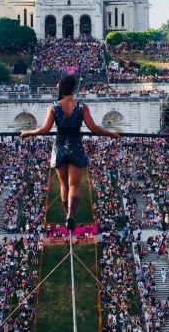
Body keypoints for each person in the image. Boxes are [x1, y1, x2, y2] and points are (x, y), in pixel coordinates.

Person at [20, 74, 120, 230]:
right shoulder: (81, 106)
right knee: (74, 185)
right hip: (75, 146)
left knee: (63, 184)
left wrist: (28, 133)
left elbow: (45, 129)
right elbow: (93, 128)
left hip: (60, 146)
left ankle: (67, 213)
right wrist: (111, 133)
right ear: (74, 89)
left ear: (61, 88)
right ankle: (71, 215)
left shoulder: (53, 106)